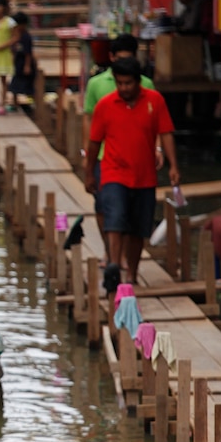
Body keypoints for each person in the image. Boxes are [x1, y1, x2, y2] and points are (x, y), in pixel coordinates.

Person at [85, 57, 180, 290]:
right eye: (120, 83)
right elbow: (94, 143)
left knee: (139, 228)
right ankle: (114, 267)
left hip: (144, 175)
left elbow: (166, 132)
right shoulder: (105, 106)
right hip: (114, 172)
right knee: (115, 219)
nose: (124, 88)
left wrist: (173, 165)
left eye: (128, 83)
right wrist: (89, 173)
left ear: (138, 82)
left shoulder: (154, 101)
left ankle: (133, 275)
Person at [82, 34, 155, 259]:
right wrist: (88, 152)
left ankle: (121, 257)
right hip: (105, 155)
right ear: (111, 57)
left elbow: (156, 122)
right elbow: (88, 118)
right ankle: (110, 253)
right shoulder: (96, 84)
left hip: (135, 157)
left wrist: (158, 149)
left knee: (130, 210)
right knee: (105, 205)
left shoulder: (147, 86)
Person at [9, 11, 36, 105]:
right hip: (18, 63)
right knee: (14, 86)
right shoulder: (15, 36)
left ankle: (34, 103)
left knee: (29, 85)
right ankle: (15, 103)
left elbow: (28, 53)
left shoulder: (26, 37)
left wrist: (27, 66)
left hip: (25, 63)